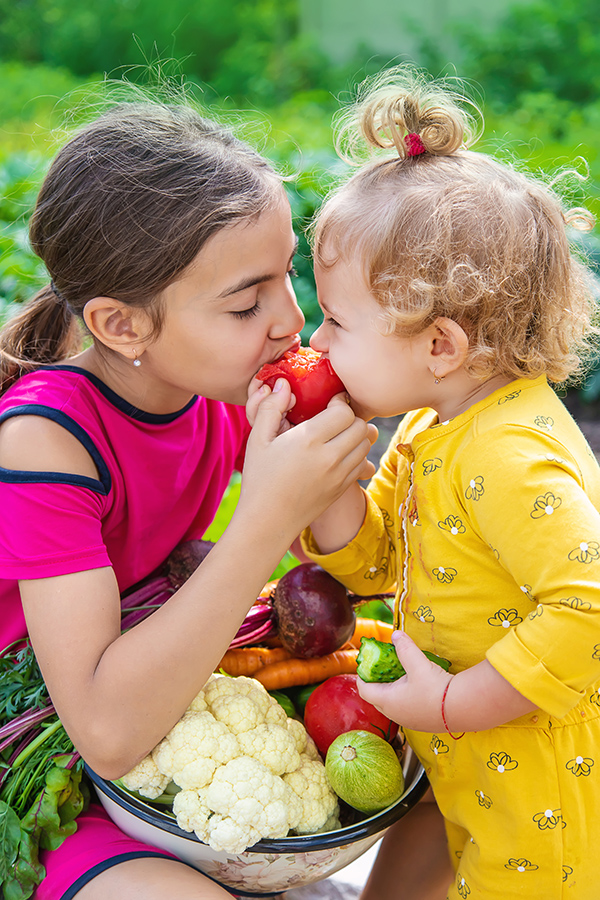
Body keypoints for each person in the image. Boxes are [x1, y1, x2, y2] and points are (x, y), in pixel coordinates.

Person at [0, 97, 376, 900]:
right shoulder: (44, 442)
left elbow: (351, 559)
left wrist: (335, 455)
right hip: (37, 763)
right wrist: (265, 516)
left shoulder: (213, 383)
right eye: (247, 303)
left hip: (164, 703)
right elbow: (100, 731)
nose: (290, 319)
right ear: (121, 326)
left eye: (286, 276)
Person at [249, 67, 600, 899]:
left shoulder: (509, 455)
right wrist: (325, 474)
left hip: (543, 795)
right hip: (474, 760)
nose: (317, 341)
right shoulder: (433, 424)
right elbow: (374, 565)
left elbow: (588, 604)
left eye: (336, 319)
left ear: (440, 345)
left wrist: (453, 705)